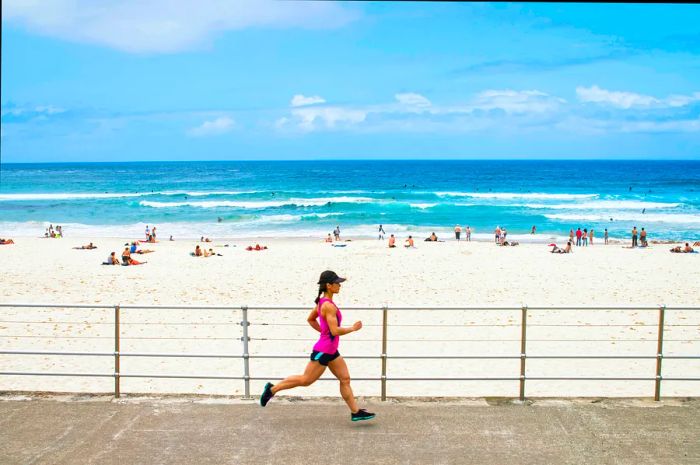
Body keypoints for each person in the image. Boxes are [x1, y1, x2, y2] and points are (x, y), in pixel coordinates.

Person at [259, 270, 375, 422]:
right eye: (337, 283)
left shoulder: (322, 303)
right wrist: (352, 329)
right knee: (306, 380)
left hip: (331, 350)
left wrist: (324, 333)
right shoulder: (328, 306)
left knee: (345, 379)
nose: (340, 285)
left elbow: (311, 320)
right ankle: (272, 389)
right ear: (328, 285)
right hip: (324, 351)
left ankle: (355, 412)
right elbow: (335, 330)